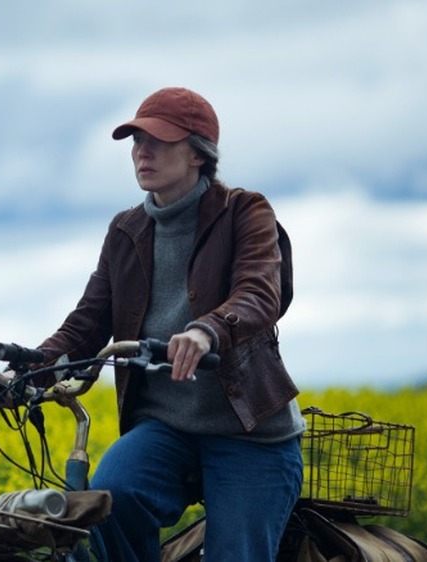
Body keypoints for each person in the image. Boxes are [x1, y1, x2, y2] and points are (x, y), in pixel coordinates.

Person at [34, 87, 305, 561]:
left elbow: (261, 292)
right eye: (136, 141)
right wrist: (28, 367)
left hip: (248, 433)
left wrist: (207, 330)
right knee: (110, 499)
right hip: (166, 430)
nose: (142, 151)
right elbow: (86, 325)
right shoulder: (126, 230)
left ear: (199, 154)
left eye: (158, 141)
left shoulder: (245, 212)